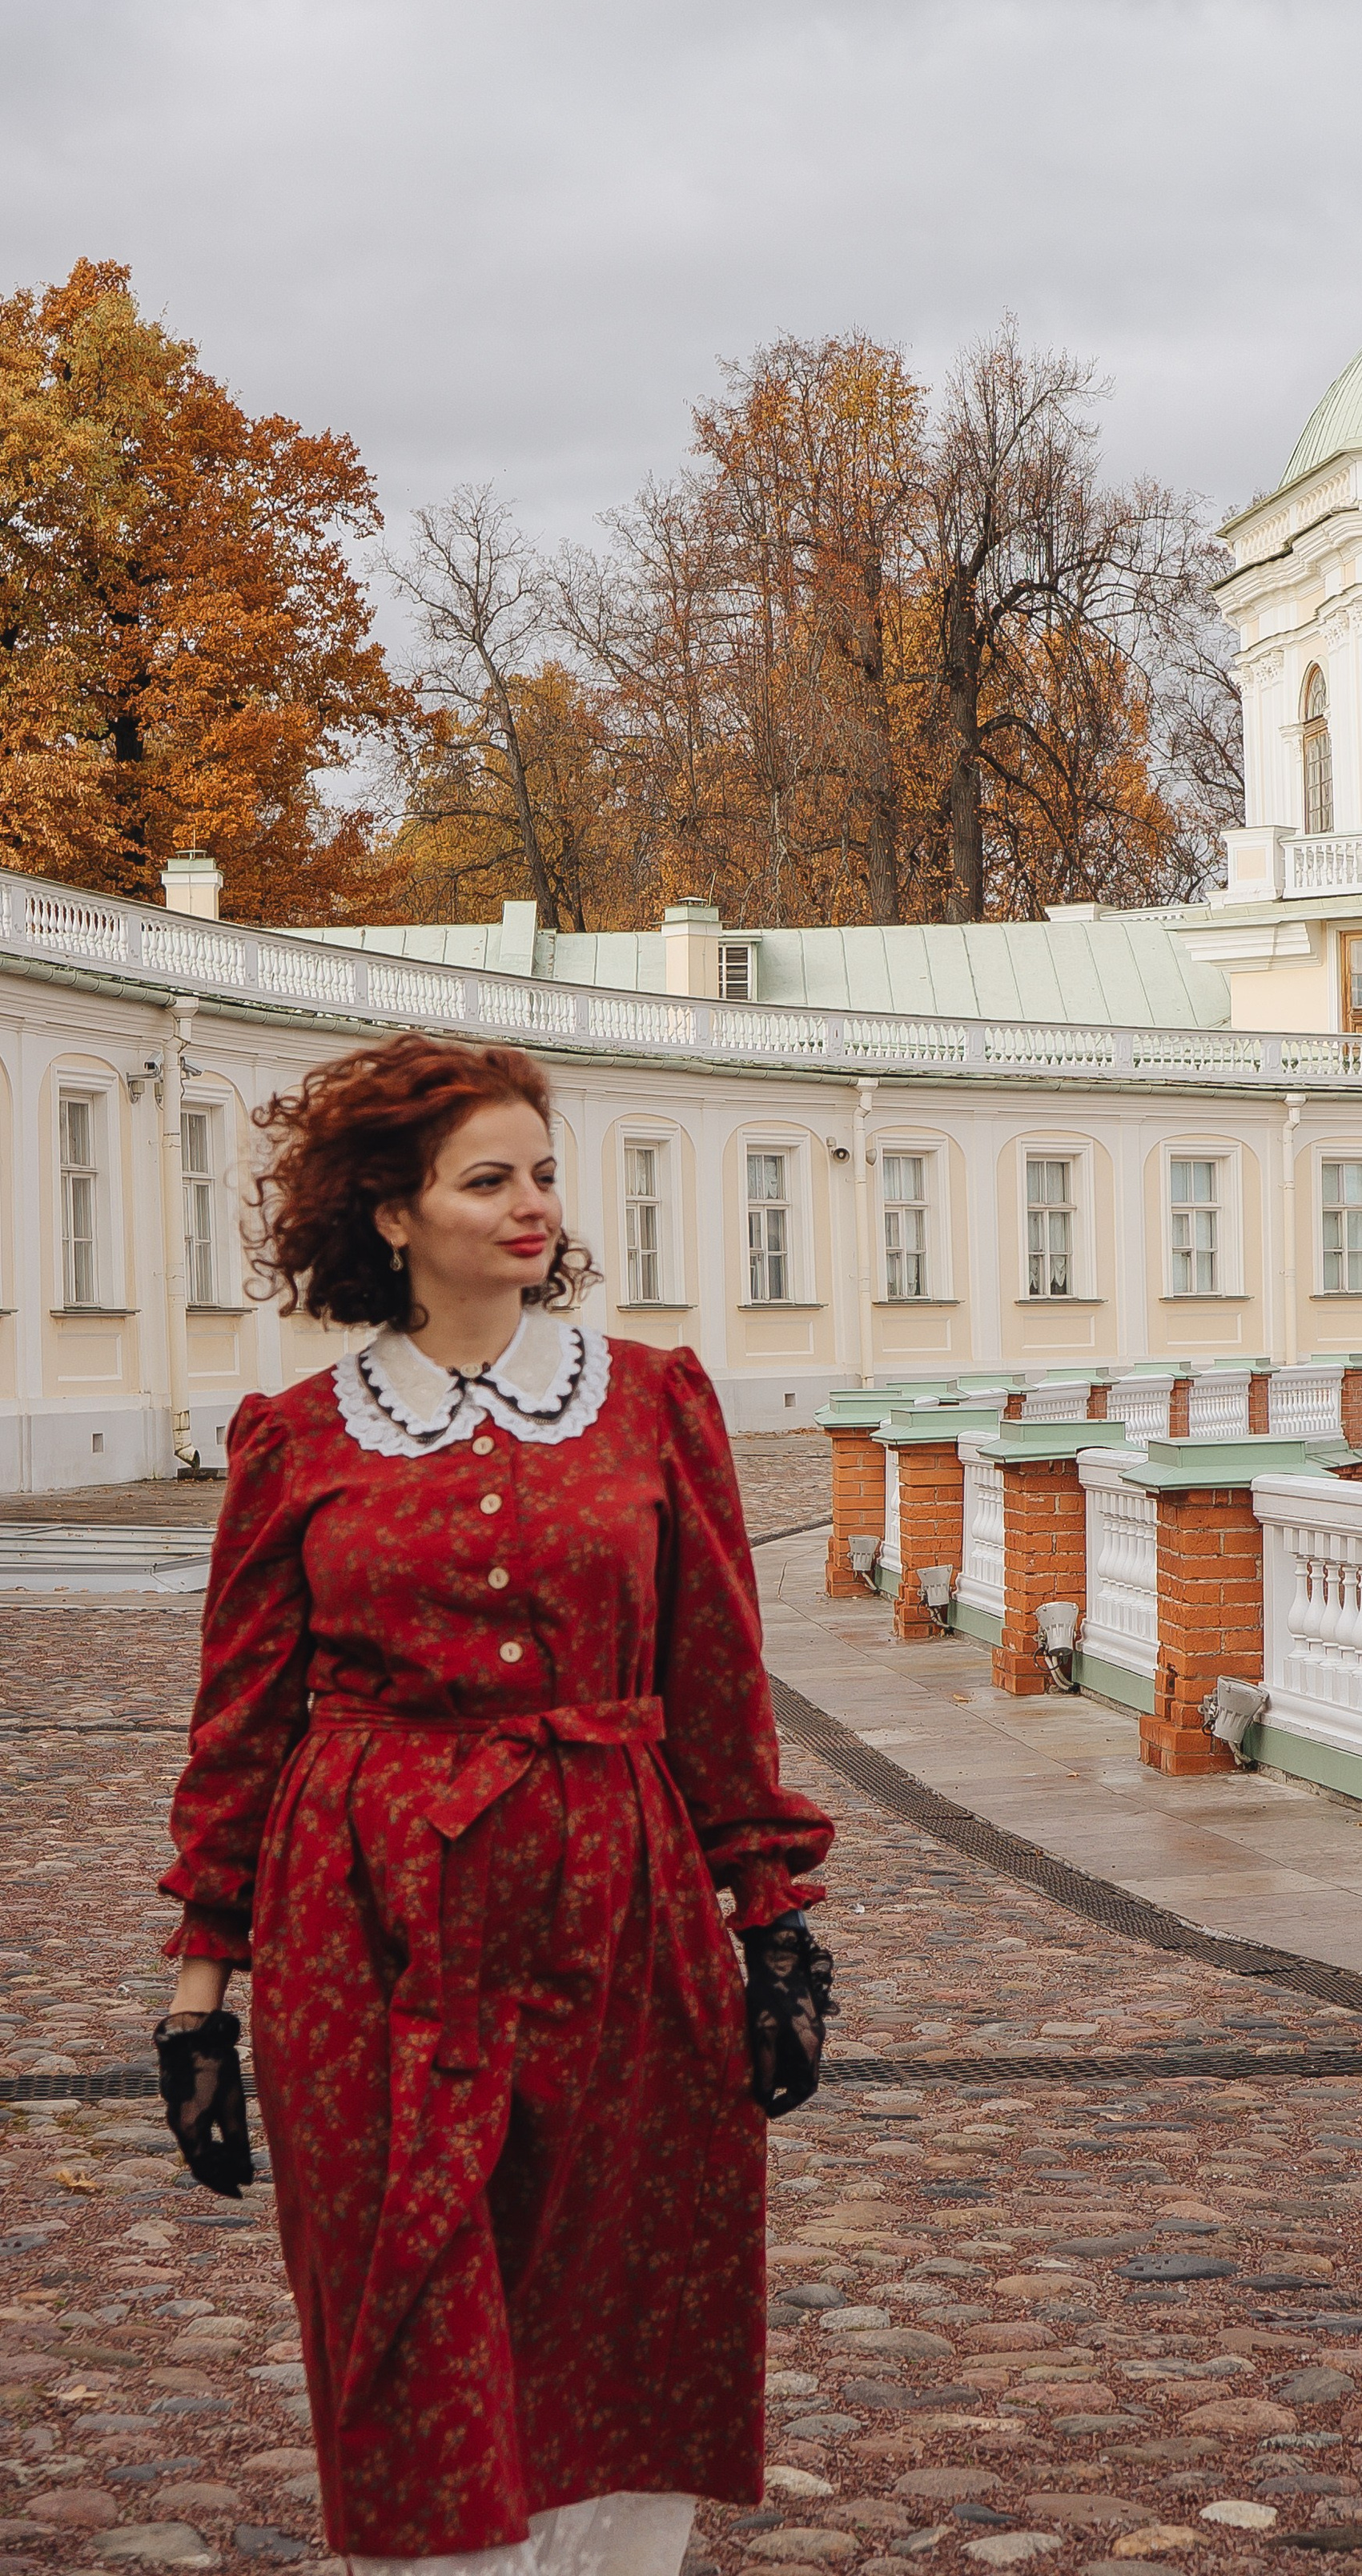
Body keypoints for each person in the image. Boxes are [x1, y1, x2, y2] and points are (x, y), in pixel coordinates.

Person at [153, 1033, 834, 2576]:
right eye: (487, 1180)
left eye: (541, 1174)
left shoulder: (651, 1405)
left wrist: (775, 1931)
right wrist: (201, 1996)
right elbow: (242, 1729)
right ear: (392, 1213)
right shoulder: (301, 1440)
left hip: (617, 1901)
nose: (531, 1208)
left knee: (619, 2289)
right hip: (365, 1925)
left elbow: (720, 1686)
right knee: (405, 2297)